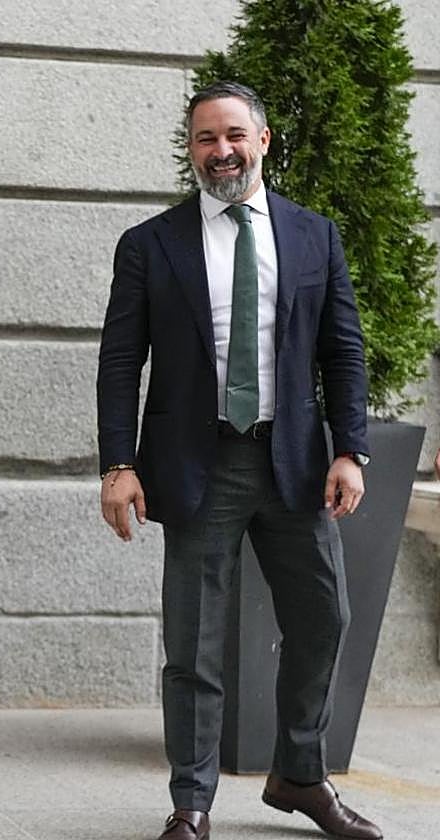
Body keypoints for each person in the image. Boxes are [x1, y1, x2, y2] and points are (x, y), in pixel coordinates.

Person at [96, 81, 380, 840]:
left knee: (326, 618)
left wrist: (350, 449)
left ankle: (298, 773)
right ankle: (191, 803)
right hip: (198, 467)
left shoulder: (315, 236)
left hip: (292, 465)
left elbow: (342, 351)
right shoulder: (152, 244)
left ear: (263, 140)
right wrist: (117, 464)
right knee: (194, 644)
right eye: (203, 139)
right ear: (190, 152)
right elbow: (121, 362)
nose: (219, 151)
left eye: (232, 136)